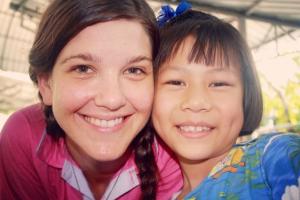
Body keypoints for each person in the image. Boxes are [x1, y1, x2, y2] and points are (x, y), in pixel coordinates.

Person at [0, 0, 182, 199]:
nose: (111, 100)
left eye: (134, 70)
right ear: (46, 84)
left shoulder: (174, 152)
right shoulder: (24, 137)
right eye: (83, 69)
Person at [152, 2, 300, 200]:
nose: (196, 102)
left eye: (218, 83)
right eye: (176, 82)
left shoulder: (274, 158)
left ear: (246, 96)